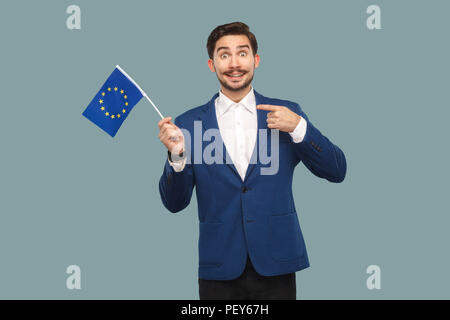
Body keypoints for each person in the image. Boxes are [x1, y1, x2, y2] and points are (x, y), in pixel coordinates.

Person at [158, 22, 346, 300]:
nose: (234, 63)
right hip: (219, 266)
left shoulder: (286, 113)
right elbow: (174, 204)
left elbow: (337, 170)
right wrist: (178, 156)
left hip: (276, 261)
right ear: (212, 64)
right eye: (224, 55)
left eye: (242, 53)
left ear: (255, 60)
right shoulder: (189, 123)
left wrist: (299, 128)